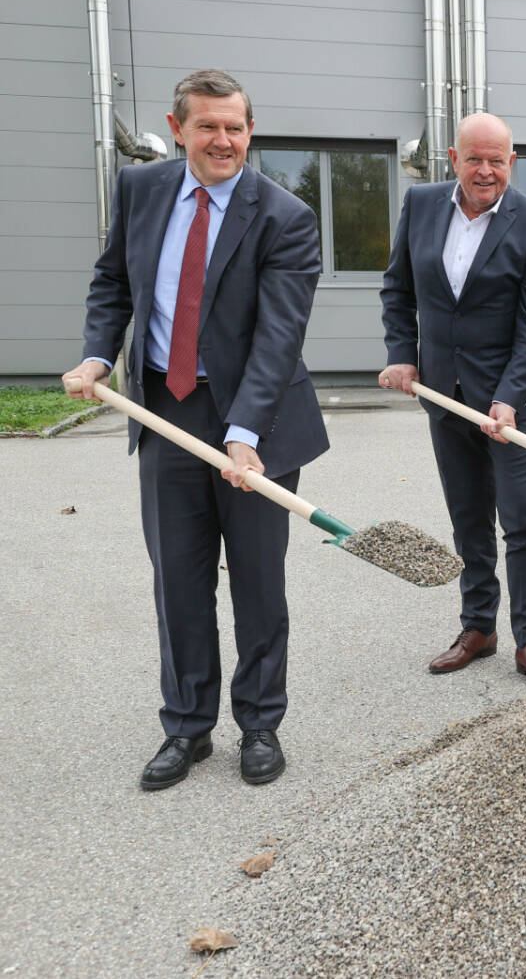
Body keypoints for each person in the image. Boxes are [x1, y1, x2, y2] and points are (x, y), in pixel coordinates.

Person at [63, 69, 328, 789]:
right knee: (178, 582)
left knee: (256, 584)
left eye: (235, 127)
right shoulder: (141, 191)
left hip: (257, 421)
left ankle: (261, 724)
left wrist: (244, 433)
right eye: (207, 126)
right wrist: (96, 353)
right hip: (164, 413)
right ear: (178, 129)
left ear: (250, 131)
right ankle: (186, 727)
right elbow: (113, 280)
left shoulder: (285, 217)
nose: (223, 140)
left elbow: (278, 338)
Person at [378, 113, 526, 688]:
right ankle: (478, 627)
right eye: (474, 158)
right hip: (444, 392)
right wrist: (402, 352)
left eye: (497, 160)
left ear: (512, 163)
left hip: (516, 402)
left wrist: (508, 399)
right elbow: (398, 288)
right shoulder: (421, 205)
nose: (485, 171)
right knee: (468, 519)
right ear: (453, 159)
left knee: (523, 520)